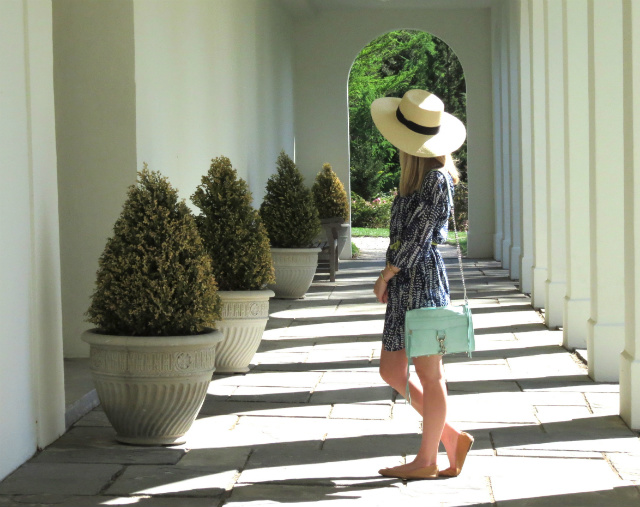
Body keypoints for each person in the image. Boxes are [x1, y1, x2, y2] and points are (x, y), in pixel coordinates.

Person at [370, 89, 473, 480]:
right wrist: (390, 277)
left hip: (423, 283)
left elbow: (420, 237)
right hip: (403, 285)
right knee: (391, 371)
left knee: (431, 377)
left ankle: (427, 459)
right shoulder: (414, 180)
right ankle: (450, 437)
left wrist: (386, 274)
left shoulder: (436, 181)